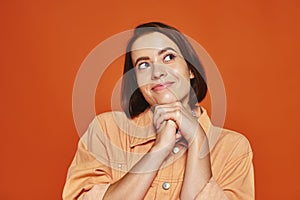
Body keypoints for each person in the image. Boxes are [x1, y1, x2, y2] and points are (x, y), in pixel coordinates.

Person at [63, 22, 254, 200]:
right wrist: (159, 149)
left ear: (190, 69)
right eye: (143, 64)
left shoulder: (233, 148)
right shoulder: (105, 130)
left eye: (169, 57)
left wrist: (197, 139)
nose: (157, 72)